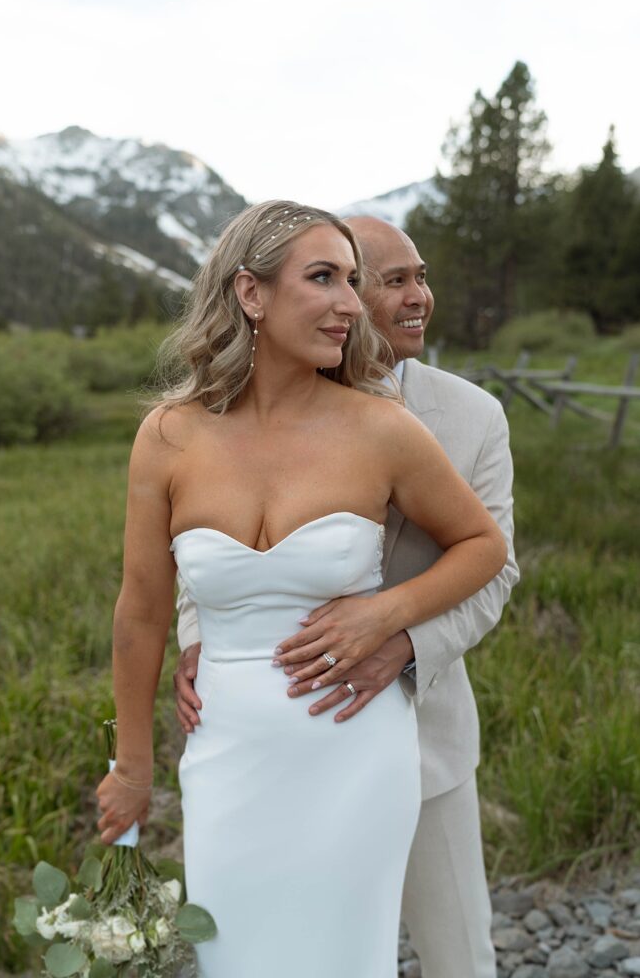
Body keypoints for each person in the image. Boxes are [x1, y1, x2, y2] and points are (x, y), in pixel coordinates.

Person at [97, 201, 507, 978]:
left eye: (354, 282)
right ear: (250, 294)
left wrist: (388, 612)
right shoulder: (168, 436)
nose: (352, 305)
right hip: (226, 754)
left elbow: (483, 546)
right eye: (325, 278)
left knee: (344, 957)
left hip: (355, 748)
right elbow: (142, 607)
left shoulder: (380, 428)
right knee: (236, 957)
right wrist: (133, 765)